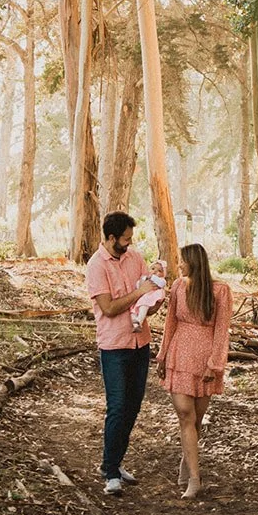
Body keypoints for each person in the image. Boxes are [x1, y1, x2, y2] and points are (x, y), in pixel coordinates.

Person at [85, 211, 161, 497]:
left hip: (140, 343)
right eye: (125, 239)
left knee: (133, 407)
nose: (129, 244)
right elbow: (109, 308)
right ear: (111, 237)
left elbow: (146, 298)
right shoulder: (96, 266)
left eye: (131, 239)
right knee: (117, 407)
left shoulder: (136, 258)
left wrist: (152, 300)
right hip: (114, 346)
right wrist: (139, 292)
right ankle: (110, 471)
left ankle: (114, 462)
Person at [156, 242, 232, 499]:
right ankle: (195, 480)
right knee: (185, 415)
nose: (178, 265)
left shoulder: (220, 291)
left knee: (196, 420)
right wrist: (162, 355)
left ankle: (187, 461)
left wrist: (215, 363)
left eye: (181, 260)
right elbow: (170, 323)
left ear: (194, 262)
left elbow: (222, 330)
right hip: (179, 356)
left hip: (204, 361)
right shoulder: (178, 286)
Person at [130, 259, 167, 329]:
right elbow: (138, 285)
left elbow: (162, 284)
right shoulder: (145, 277)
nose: (155, 271)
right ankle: (135, 324)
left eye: (159, 271)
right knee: (133, 310)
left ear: (163, 274)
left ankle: (139, 321)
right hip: (143, 296)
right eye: (153, 268)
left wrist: (152, 277)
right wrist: (142, 281)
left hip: (152, 296)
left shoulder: (161, 280)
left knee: (144, 306)